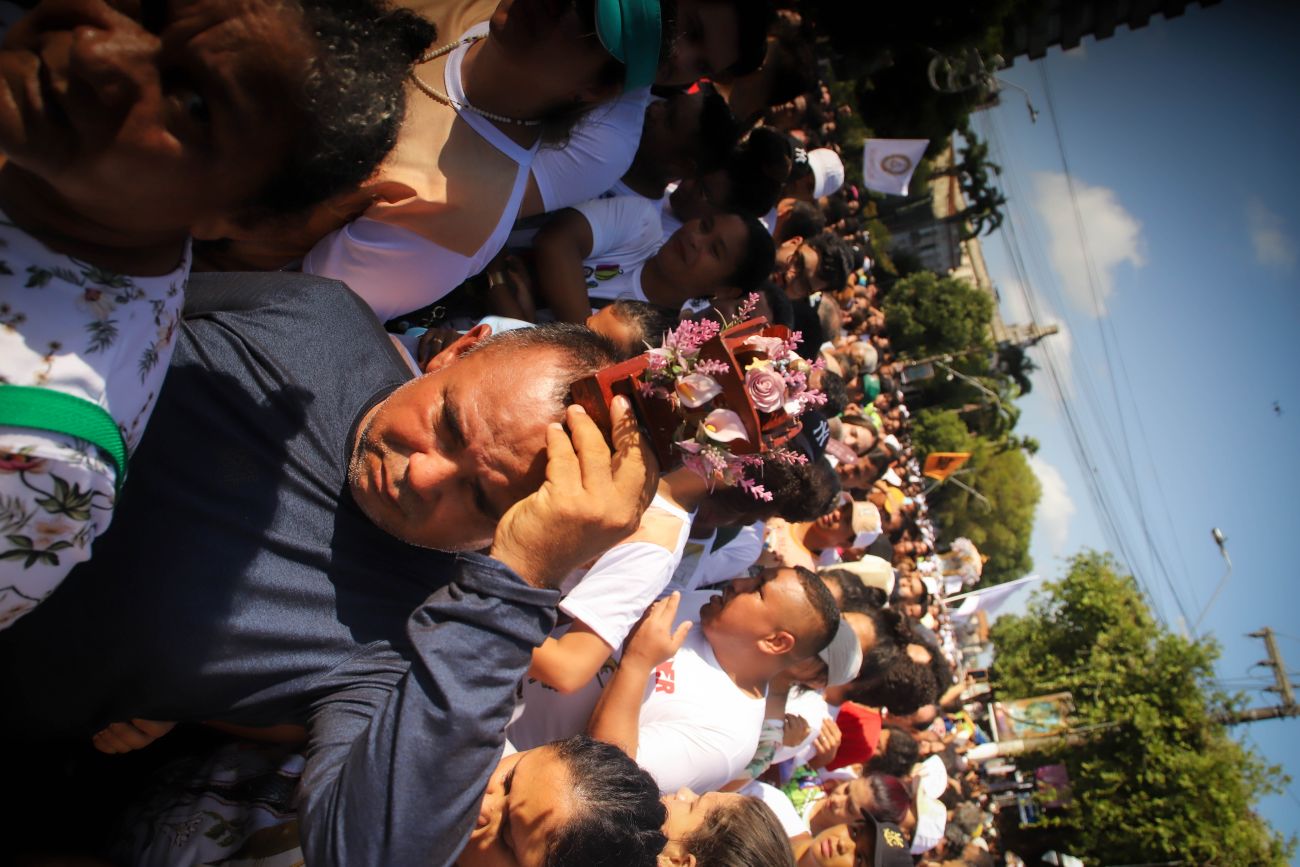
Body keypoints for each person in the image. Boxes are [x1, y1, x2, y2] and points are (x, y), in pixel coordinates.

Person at [1, 271, 659, 865]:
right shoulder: (317, 314)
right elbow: (100, 295)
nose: (423, 474)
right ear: (459, 350)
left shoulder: (413, 644)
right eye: (447, 423)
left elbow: (367, 852)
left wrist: (520, 580)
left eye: (480, 499)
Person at [0, 0, 433, 629]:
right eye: (147, 11)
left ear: (241, 218)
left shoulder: (38, 458)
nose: (99, 47)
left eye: (193, 106)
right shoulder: (73, 187)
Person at [508, 568, 840, 794]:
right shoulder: (704, 606)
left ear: (776, 642)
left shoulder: (729, 738)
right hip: (499, 674)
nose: (739, 582)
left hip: (503, 759)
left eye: (757, 590)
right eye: (755, 576)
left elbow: (603, 777)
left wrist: (637, 663)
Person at [500, 197, 773, 323]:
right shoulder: (641, 222)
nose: (694, 238)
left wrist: (509, 304)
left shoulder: (657, 342)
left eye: (714, 250)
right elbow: (556, 241)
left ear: (725, 290)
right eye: (704, 225)